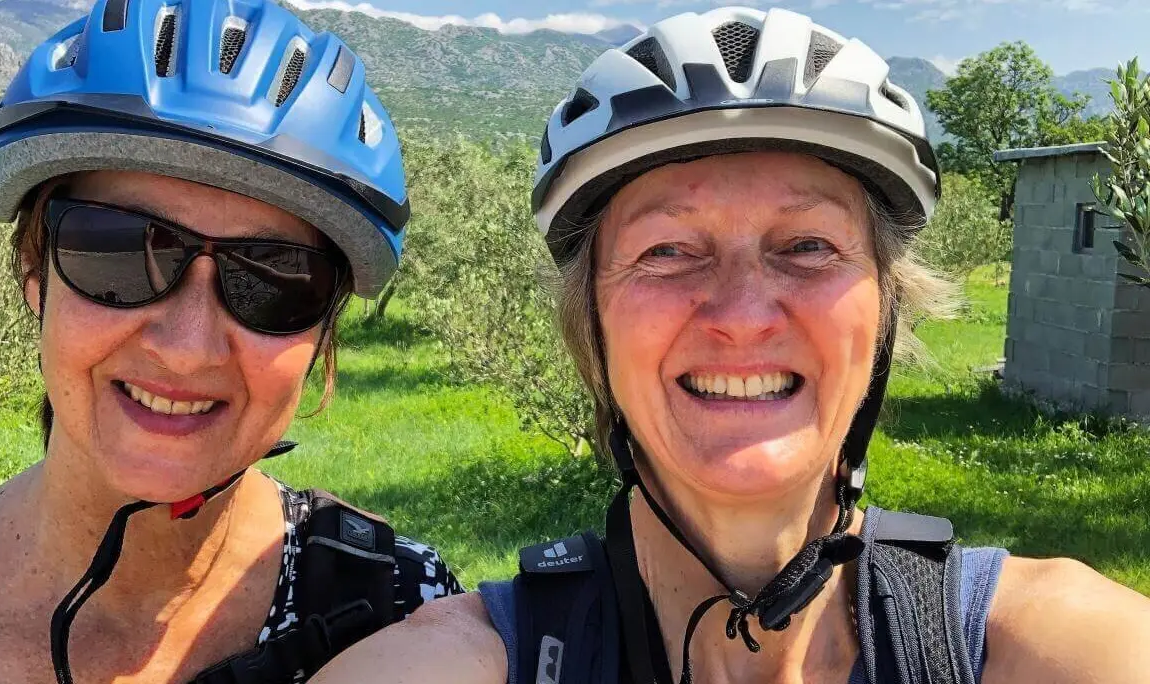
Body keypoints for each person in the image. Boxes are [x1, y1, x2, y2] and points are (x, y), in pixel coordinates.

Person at [311, 7, 1150, 684]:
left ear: (887, 314)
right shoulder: (461, 662)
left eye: (809, 247)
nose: (744, 315)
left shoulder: (1043, 647)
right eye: (668, 251)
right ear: (591, 328)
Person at [0, 0, 462, 682]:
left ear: (321, 336)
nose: (188, 349)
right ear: (33, 275)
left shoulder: (405, 616)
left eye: (274, 281)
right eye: (119, 252)